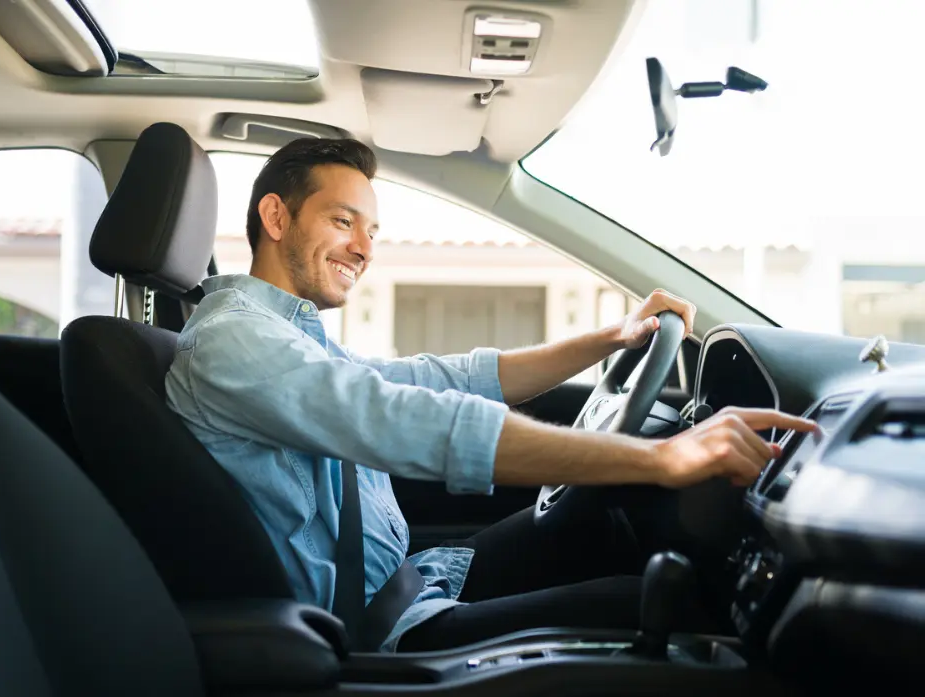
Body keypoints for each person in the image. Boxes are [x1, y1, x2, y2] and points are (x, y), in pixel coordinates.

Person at [165, 137, 817, 653]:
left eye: (373, 231)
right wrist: (662, 459)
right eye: (344, 221)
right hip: (377, 631)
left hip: (412, 580)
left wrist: (613, 338)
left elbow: (437, 380)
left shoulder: (287, 336)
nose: (364, 248)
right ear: (276, 215)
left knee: (589, 518)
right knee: (668, 608)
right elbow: (405, 419)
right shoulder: (234, 343)